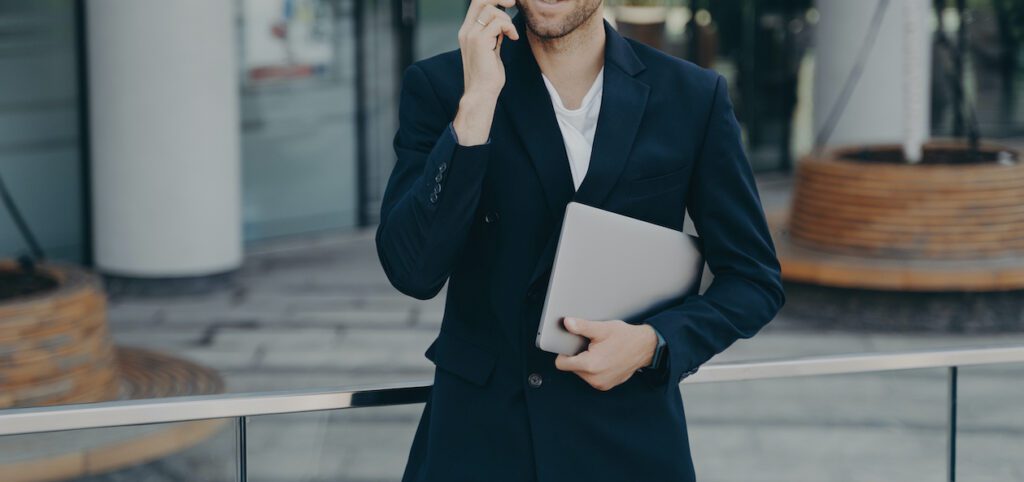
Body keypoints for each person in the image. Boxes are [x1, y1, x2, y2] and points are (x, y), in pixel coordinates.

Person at [375, 1, 785, 480]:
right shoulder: (446, 86)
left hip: (626, 440)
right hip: (481, 441)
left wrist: (655, 342)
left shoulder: (692, 96)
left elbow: (753, 280)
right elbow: (413, 271)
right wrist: (476, 106)